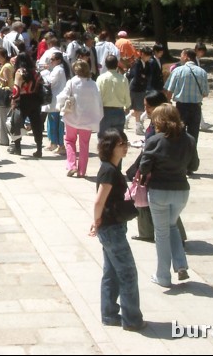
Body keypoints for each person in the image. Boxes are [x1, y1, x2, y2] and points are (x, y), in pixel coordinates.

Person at [88, 128, 146, 331]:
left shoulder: (111, 168)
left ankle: (110, 314)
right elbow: (98, 202)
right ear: (110, 147)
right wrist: (97, 222)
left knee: (111, 272)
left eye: (126, 143)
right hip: (111, 228)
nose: (125, 147)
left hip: (112, 226)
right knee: (128, 273)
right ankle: (132, 319)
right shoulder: (108, 171)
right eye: (122, 144)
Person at [139, 103, 199, 287]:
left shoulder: (155, 141)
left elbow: (144, 167)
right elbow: (194, 166)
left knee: (162, 233)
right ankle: (180, 264)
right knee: (171, 225)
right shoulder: (189, 139)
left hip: (159, 191)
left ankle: (163, 276)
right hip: (181, 191)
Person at [127, 91, 187, 244]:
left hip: (157, 171)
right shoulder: (156, 123)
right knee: (144, 201)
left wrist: (143, 168)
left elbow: (152, 148)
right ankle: (148, 232)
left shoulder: (161, 128)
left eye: (148, 107)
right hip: (155, 170)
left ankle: (174, 238)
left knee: (160, 207)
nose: (145, 109)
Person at [58, 60, 104, 178]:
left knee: (69, 140)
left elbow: (63, 96)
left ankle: (72, 164)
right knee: (84, 144)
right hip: (88, 118)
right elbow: (98, 101)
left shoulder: (72, 82)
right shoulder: (93, 84)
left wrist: (59, 106)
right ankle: (82, 171)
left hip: (72, 116)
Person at [164, 48, 208, 145]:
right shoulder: (202, 72)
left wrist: (168, 102)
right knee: (194, 135)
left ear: (186, 57)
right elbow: (205, 93)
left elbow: (169, 90)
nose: (180, 58)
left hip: (181, 107)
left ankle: (180, 154)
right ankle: (192, 155)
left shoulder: (177, 71)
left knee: (179, 133)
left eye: (181, 55)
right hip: (196, 107)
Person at [10, 52, 44, 157]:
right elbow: (41, 83)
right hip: (35, 100)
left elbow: (16, 89)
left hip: (22, 101)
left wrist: (13, 102)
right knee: (37, 124)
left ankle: (17, 148)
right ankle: (39, 149)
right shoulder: (36, 72)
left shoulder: (19, 72)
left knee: (16, 123)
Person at [97, 55, 132, 138]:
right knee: (117, 137)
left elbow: (98, 95)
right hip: (119, 111)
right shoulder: (123, 79)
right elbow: (127, 94)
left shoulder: (101, 78)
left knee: (103, 137)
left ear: (105, 65)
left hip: (105, 111)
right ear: (117, 64)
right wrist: (127, 106)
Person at [41, 51, 69, 154]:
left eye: (52, 59)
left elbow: (50, 83)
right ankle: (53, 143)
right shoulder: (59, 69)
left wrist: (45, 73)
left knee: (55, 124)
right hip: (56, 100)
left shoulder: (58, 70)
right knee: (53, 123)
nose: (50, 61)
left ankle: (60, 145)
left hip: (56, 100)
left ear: (58, 60)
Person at [0, 47, 15, 148]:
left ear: (4, 56)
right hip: (9, 93)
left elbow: (5, 81)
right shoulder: (7, 65)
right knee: (6, 118)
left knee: (2, 118)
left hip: (5, 94)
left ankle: (4, 140)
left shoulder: (6, 67)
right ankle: (9, 139)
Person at [126, 47, 151, 136]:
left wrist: (144, 76)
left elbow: (147, 74)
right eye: (147, 55)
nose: (148, 57)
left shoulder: (147, 63)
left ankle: (127, 119)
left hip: (142, 88)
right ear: (142, 54)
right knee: (137, 108)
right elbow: (137, 76)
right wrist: (143, 77)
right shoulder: (137, 63)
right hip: (136, 88)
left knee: (138, 108)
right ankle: (137, 127)